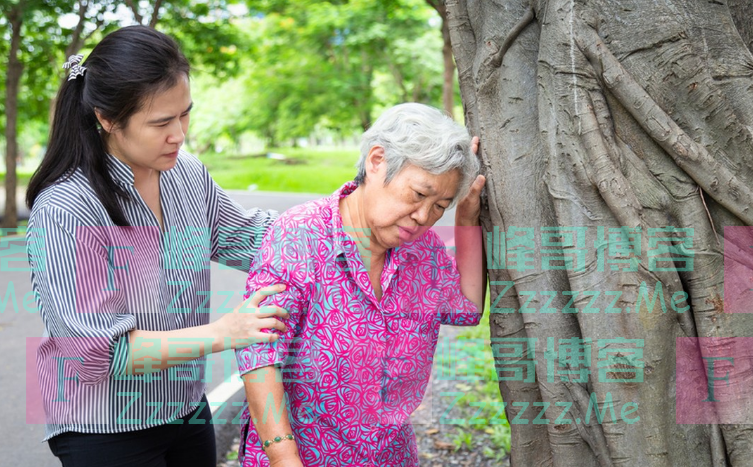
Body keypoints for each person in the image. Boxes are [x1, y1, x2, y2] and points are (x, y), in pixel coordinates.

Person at [25, 25, 287, 467]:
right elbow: (97, 353)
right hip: (104, 429)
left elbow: (250, 237)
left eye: (185, 114)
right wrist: (225, 332)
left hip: (184, 409)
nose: (179, 134)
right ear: (106, 119)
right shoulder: (66, 209)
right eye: (161, 122)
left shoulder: (185, 173)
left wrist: (352, 219)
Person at [235, 103, 487, 466]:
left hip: (389, 456)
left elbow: (467, 306)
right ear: (377, 160)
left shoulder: (421, 251)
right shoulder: (300, 235)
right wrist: (283, 457)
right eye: (418, 194)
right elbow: (259, 355)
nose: (423, 217)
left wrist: (466, 215)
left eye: (439, 206)